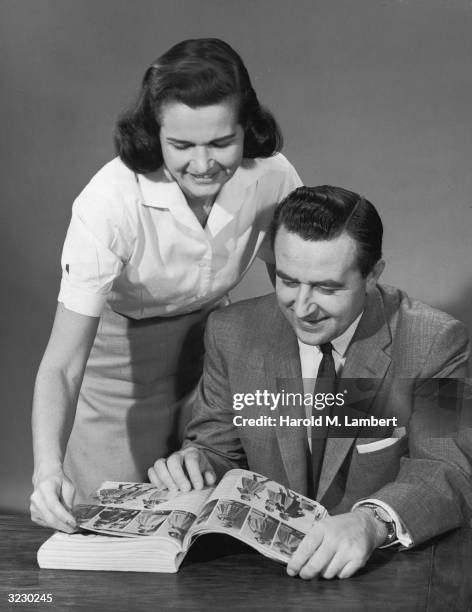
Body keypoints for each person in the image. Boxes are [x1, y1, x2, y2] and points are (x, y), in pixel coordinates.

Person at [30, 38, 302, 533]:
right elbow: (64, 365)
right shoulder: (109, 202)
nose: (203, 165)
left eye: (222, 143)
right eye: (181, 146)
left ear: (248, 129)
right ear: (155, 135)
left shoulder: (272, 176)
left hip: (214, 367)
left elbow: (297, 293)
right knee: (113, 532)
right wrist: (47, 470)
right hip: (118, 375)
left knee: (213, 526)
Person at [149, 185, 472, 579]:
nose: (302, 308)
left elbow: (446, 468)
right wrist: (195, 463)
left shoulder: (434, 341)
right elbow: (218, 448)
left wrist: (371, 522)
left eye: (326, 287)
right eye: (287, 281)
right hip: (255, 578)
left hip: (381, 573)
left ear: (373, 275)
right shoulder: (230, 332)